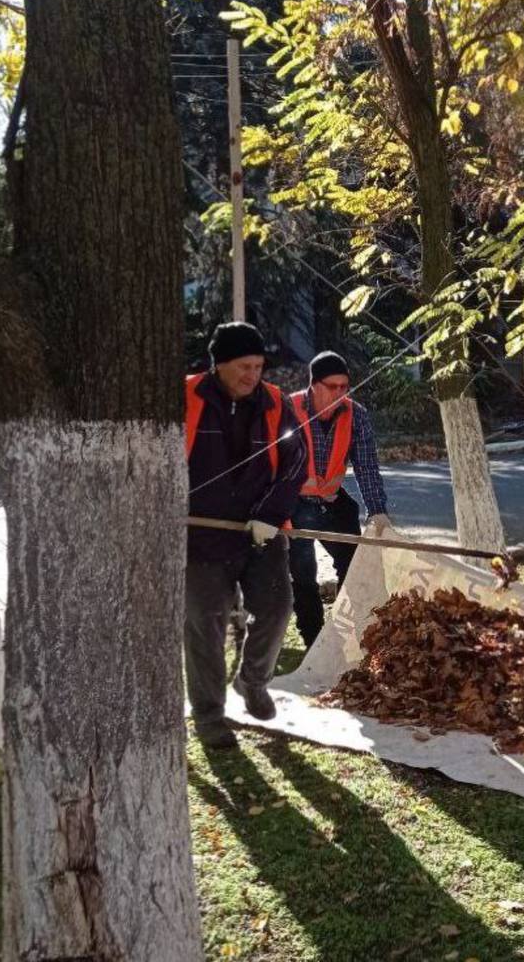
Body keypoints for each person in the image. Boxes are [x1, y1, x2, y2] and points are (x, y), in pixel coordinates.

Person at [185, 321, 304, 750]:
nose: (252, 375)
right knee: (206, 625)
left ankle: (252, 682)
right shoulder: (187, 397)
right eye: (243, 366)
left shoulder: (274, 402)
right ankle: (209, 716)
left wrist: (272, 514)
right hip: (200, 537)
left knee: (276, 608)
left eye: (258, 365)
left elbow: (295, 460)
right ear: (219, 365)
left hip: (261, 533)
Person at [287, 350, 391, 648]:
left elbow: (367, 465)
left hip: (333, 503)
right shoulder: (288, 409)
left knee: (354, 564)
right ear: (314, 386)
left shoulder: (355, 414)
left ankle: (356, 632)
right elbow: (269, 464)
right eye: (332, 387)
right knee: (303, 575)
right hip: (295, 506)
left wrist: (377, 510)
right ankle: (315, 641)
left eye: (345, 387)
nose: (339, 393)